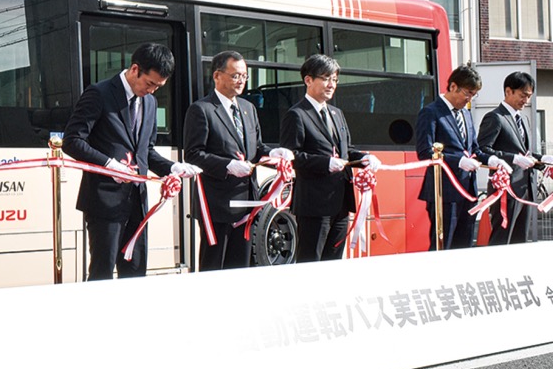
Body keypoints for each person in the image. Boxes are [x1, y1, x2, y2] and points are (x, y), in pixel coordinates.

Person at [62, 43, 199, 280]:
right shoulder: (100, 94)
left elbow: (146, 151)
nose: (153, 90)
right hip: (104, 200)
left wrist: (172, 167)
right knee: (101, 273)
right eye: (150, 83)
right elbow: (72, 141)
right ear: (135, 69)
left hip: (137, 201)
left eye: (158, 86)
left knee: (135, 273)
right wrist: (109, 165)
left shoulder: (150, 102)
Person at [183, 51, 289, 272]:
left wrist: (274, 155)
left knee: (240, 267)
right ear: (217, 76)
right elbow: (193, 154)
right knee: (215, 266)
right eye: (235, 76)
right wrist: (227, 166)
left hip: (247, 204)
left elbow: (257, 149)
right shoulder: (201, 110)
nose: (241, 81)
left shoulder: (248, 109)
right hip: (217, 203)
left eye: (244, 76)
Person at [280, 55, 380, 262]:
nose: (331, 85)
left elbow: (346, 150)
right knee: (311, 260)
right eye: (326, 78)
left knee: (333, 261)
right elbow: (291, 156)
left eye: (334, 79)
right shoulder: (297, 114)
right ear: (308, 80)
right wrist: (324, 163)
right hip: (314, 203)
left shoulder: (336, 113)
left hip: (341, 201)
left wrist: (365, 158)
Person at [414, 63, 489, 251]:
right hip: (444, 192)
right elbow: (425, 152)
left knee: (464, 245)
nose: (469, 99)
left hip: (468, 191)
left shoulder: (466, 114)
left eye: (473, 95)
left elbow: (474, 150)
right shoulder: (430, 113)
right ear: (453, 86)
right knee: (443, 245)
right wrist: (459, 161)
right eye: (467, 93)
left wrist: (492, 160)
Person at [476, 70, 549, 246]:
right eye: (523, 95)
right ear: (508, 91)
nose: (526, 100)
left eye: (529, 96)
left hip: (526, 189)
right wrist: (513, 159)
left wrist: (543, 160)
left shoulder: (523, 118)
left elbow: (525, 153)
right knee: (502, 238)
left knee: (520, 240)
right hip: (505, 190)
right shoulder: (495, 117)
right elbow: (482, 150)